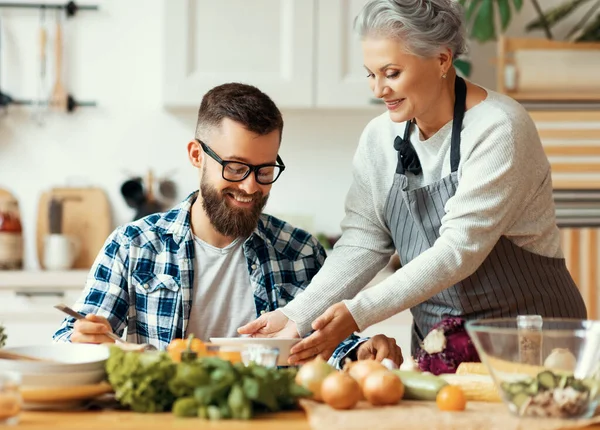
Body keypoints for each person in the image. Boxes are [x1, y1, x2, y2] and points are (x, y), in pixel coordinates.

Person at [239, 0, 587, 364]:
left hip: (532, 343)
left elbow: (458, 250)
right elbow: (364, 239)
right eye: (370, 74)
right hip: (442, 349)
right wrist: (297, 315)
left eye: (391, 73)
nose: (378, 90)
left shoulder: (500, 129)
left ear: (441, 59)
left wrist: (358, 312)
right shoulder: (378, 137)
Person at [52, 83, 402, 369]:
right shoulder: (133, 244)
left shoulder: (298, 249)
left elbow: (326, 340)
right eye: (235, 167)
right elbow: (69, 335)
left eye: (264, 170)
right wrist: (80, 339)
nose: (251, 187)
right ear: (196, 156)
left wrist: (360, 350)